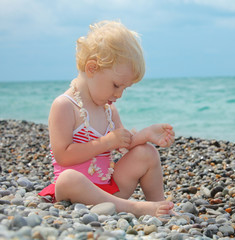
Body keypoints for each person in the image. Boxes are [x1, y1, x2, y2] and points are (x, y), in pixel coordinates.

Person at [39, 20, 175, 217]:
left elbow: (123, 144)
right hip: (77, 194)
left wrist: (146, 135)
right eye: (116, 85)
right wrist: (106, 142)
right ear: (92, 68)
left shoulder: (109, 110)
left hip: (110, 190)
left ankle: (159, 206)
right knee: (68, 179)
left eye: (124, 89)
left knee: (147, 153)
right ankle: (134, 208)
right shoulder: (65, 106)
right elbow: (64, 156)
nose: (119, 94)